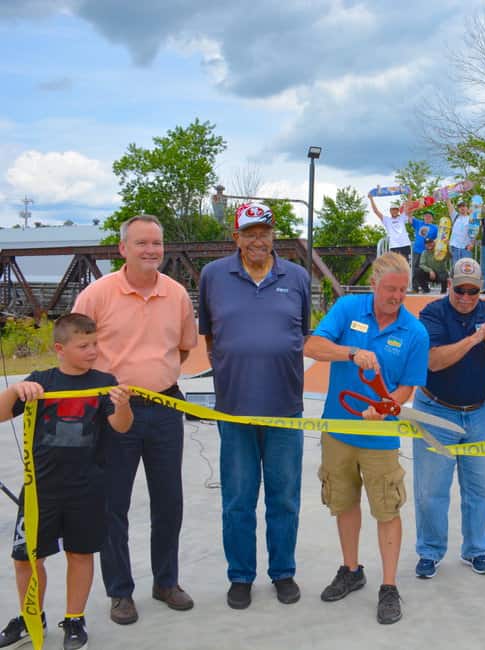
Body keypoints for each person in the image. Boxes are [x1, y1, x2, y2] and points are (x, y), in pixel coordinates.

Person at [73, 214, 198, 625]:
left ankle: (166, 582)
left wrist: (154, 375)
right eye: (142, 243)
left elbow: (183, 349)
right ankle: (120, 592)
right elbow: (76, 351)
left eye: (157, 243)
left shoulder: (177, 295)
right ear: (122, 248)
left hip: (165, 407)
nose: (151, 250)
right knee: (114, 505)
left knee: (169, 501)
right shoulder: (97, 296)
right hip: (113, 411)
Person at [303, 252, 429, 625]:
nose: (396, 297)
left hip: (380, 437)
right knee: (343, 503)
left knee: (387, 509)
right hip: (338, 431)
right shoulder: (347, 308)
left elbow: (407, 388)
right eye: (390, 289)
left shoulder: (414, 331)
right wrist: (352, 352)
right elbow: (312, 347)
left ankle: (389, 587)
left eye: (403, 291)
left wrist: (388, 406)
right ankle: (351, 570)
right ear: (373, 284)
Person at [197, 202, 311, 610]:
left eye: (264, 232)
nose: (258, 240)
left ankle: (283, 572)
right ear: (236, 238)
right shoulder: (213, 277)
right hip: (235, 411)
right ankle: (241, 576)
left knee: (283, 497)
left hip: (285, 410)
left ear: (273, 235)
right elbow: (210, 338)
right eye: (250, 233)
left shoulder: (296, 277)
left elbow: (302, 333)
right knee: (238, 500)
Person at [0, 314, 132, 650]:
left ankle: (74, 618)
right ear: (60, 349)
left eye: (95, 343)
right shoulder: (41, 381)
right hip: (39, 489)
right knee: (26, 558)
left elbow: (120, 427)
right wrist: (15, 389)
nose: (93, 351)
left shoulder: (104, 381)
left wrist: (123, 405)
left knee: (80, 554)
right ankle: (32, 616)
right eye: (84, 345)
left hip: (87, 488)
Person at [412, 258, 485, 578]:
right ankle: (429, 550)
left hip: (480, 412)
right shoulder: (432, 313)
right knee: (431, 491)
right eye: (460, 290)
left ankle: (476, 550)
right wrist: (474, 339)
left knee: (483, 489)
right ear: (449, 285)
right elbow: (434, 362)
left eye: (473, 291)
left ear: (481, 288)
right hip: (435, 410)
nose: (466, 297)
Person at [370, 194, 413, 260]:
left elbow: (408, 206)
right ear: (390, 211)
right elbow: (376, 211)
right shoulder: (387, 220)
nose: (394, 211)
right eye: (393, 209)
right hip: (394, 246)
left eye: (396, 209)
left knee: (405, 264)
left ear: (398, 211)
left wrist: (410, 194)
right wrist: (371, 198)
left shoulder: (402, 217)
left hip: (405, 244)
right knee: (395, 265)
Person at [446, 196, 472, 266]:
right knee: (456, 267)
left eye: (464, 206)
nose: (462, 208)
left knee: (466, 269)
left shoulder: (471, 218)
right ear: (458, 209)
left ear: (467, 208)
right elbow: (449, 205)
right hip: (454, 247)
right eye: (460, 207)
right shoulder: (455, 217)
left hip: (466, 247)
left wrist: (471, 243)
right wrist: (446, 196)